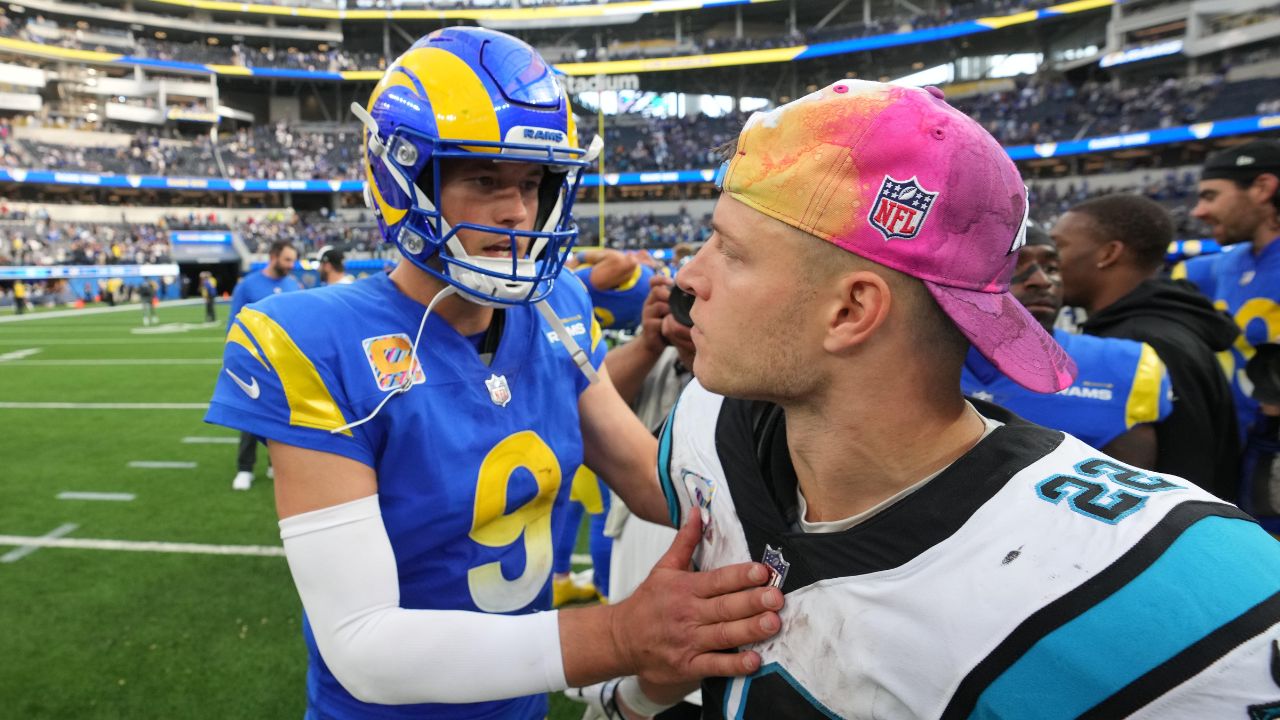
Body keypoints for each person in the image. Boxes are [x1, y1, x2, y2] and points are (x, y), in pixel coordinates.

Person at [601, 80, 1280, 719]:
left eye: (730, 249)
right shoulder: (713, 424)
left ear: (851, 310)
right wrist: (638, 693)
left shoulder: (1173, 587)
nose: (691, 275)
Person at [205, 28, 780, 720]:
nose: (517, 211)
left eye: (532, 182)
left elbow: (657, 483)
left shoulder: (559, 306)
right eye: (484, 179)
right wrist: (620, 634)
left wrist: (775, 395)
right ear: (404, 176)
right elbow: (362, 645)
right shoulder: (315, 338)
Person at [1054, 193, 1242, 499]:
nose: (1048, 263)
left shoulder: (1139, 343)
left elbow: (1184, 468)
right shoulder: (1162, 325)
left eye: (1058, 246)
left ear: (1109, 253)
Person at [961, 224, 1173, 469]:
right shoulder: (918, 361)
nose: (1041, 281)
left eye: (1052, 268)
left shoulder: (1124, 365)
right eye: (1013, 264)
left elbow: (1136, 496)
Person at [1187, 140, 1280, 512]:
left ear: (1262, 188)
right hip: (1236, 458)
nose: (1199, 211)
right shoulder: (1222, 266)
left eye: (1211, 195)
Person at [225, 239, 301, 491]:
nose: (291, 265)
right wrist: (236, 359)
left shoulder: (292, 284)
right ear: (274, 256)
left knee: (282, 418)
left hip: (286, 364)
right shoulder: (249, 284)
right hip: (255, 363)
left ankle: (274, 464)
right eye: (287, 259)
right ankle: (244, 469)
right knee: (251, 417)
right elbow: (234, 325)